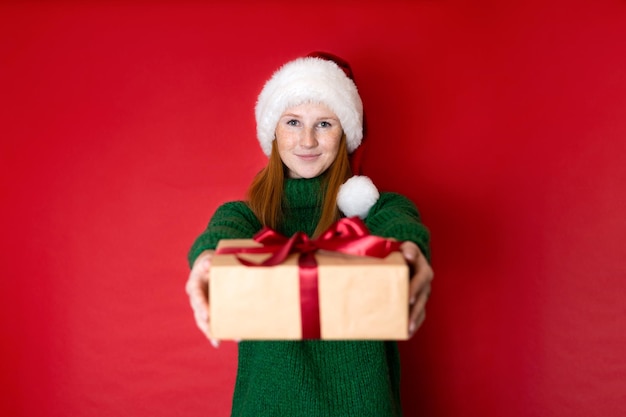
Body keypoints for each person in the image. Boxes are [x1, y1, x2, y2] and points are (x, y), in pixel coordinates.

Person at [185, 51, 434, 417]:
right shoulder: (251, 218)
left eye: (324, 124)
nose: (307, 141)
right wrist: (207, 259)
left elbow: (400, 219)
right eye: (292, 122)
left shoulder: (368, 209)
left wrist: (412, 248)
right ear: (273, 131)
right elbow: (224, 227)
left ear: (345, 133)